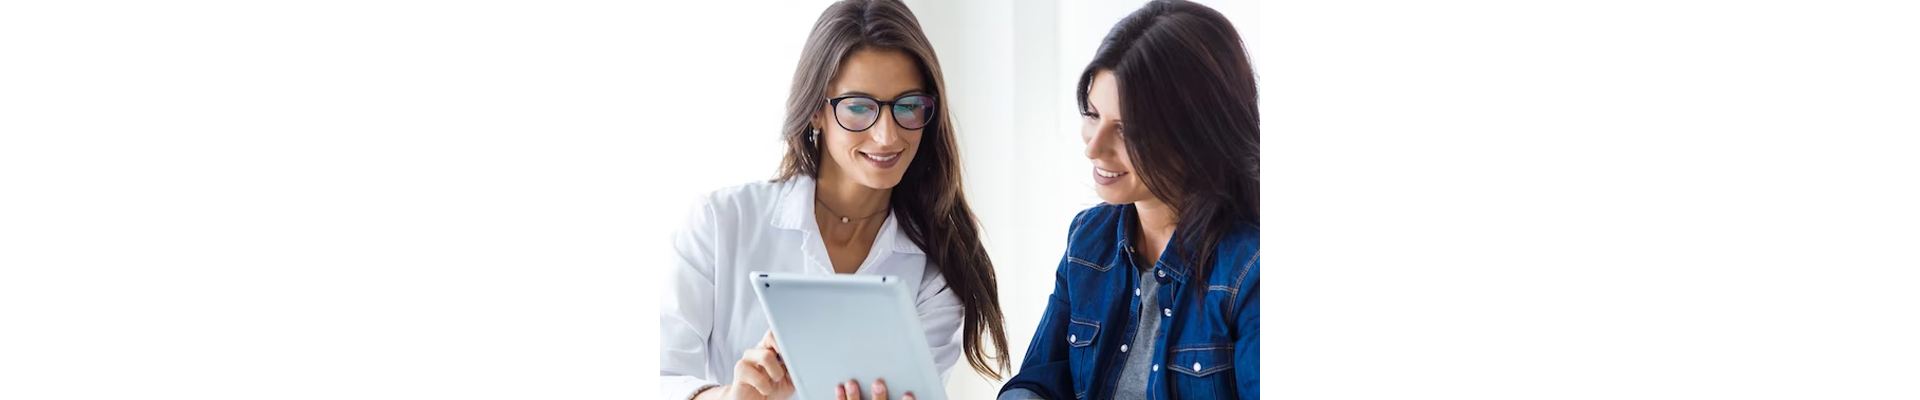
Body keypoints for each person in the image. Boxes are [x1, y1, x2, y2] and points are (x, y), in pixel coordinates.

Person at [659, 1, 1009, 399]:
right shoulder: (721, 222)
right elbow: (660, 376)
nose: (887, 136)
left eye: (908, 106)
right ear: (815, 112)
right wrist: (731, 396)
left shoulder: (937, 270)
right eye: (858, 107)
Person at [1000, 1, 1261, 399]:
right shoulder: (1088, 239)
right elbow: (1041, 380)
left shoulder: (1250, 269)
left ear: (1197, 132)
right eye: (1092, 114)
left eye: (1126, 130)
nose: (1093, 147)